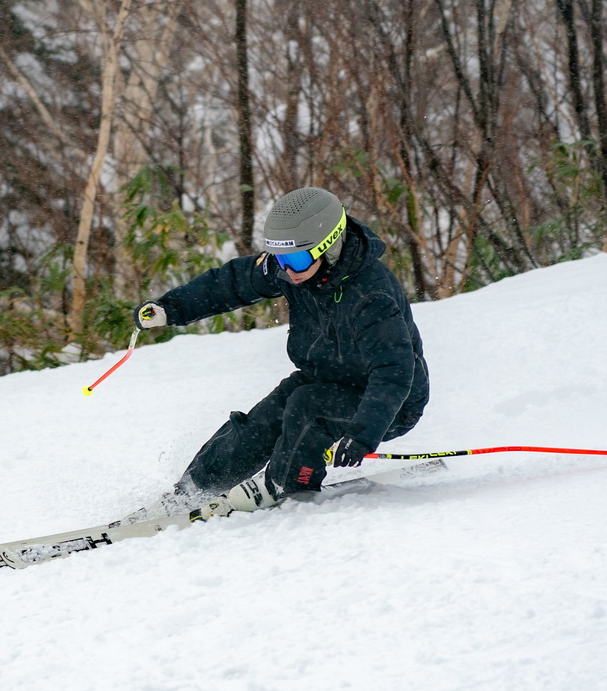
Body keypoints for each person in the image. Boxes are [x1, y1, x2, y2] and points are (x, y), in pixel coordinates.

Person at [132, 186, 429, 514]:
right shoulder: (294, 270)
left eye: (297, 259)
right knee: (262, 423)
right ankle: (194, 489)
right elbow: (233, 283)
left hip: (391, 403)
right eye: (280, 259)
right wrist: (171, 309)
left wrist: (363, 433)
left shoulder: (371, 296)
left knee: (307, 408)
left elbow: (394, 372)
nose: (287, 271)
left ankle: (286, 483)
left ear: (329, 248)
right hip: (325, 378)